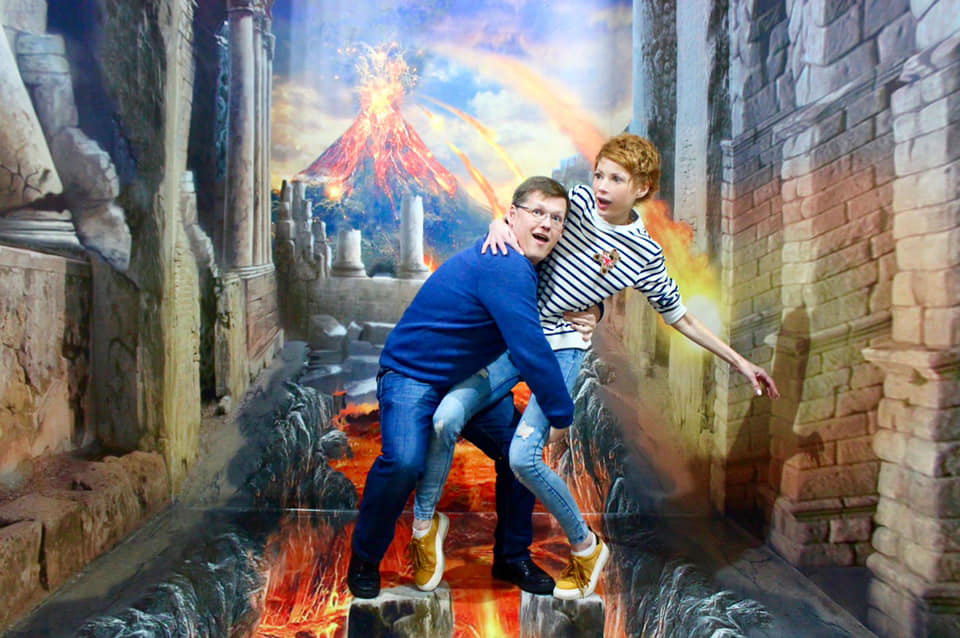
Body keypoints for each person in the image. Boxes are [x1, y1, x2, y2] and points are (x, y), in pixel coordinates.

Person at [411, 133, 781, 600]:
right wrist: (497, 224)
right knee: (445, 416)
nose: (602, 186)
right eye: (599, 174)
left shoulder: (644, 254)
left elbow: (681, 317)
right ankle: (424, 526)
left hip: (563, 349)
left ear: (641, 188)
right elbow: (530, 212)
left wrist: (741, 362)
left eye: (616, 179)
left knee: (523, 457)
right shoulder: (578, 204)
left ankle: (586, 548)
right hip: (517, 337)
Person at [348, 176, 583, 599]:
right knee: (403, 461)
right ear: (512, 216)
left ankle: (511, 556)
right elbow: (530, 350)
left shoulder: (529, 256)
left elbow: (589, 282)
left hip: (466, 380)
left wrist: (595, 309)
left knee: (518, 453)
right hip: (412, 374)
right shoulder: (507, 264)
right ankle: (365, 558)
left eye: (556, 218)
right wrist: (562, 415)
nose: (547, 224)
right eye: (537, 213)